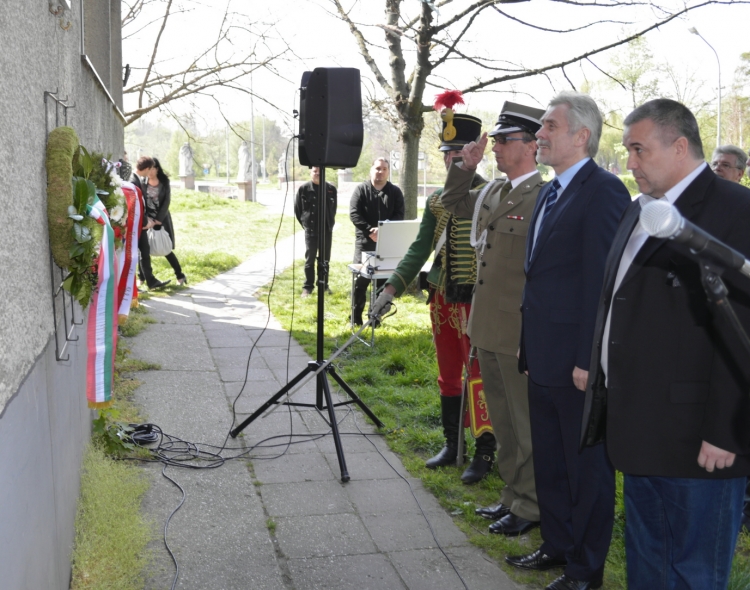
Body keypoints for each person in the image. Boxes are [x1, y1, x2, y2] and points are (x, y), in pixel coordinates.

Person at [581, 98, 750, 589]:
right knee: (648, 563)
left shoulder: (735, 209)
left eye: (638, 149)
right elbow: (618, 300)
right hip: (639, 428)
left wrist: (727, 430)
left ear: (679, 147)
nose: (629, 162)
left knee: (694, 571)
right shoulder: (642, 210)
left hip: (700, 438)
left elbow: (743, 324)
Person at [510, 91, 630, 590]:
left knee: (586, 470)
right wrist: (528, 348)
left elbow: (601, 286)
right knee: (552, 461)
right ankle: (557, 545)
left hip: (578, 363)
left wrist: (588, 359)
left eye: (549, 127)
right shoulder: (550, 191)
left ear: (581, 135)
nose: (539, 135)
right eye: (540, 127)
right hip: (542, 355)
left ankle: (586, 570)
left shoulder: (603, 192)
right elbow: (540, 277)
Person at [371, 102, 494, 482]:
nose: (451, 162)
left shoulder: (490, 196)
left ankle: (485, 452)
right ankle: (452, 444)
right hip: (442, 298)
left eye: (459, 155)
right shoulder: (437, 199)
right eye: (448, 155)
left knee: (479, 373)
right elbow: (421, 247)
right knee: (448, 374)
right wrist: (390, 288)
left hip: (477, 300)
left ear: (473, 154)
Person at [440, 101, 546, 531]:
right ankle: (512, 495)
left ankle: (531, 505)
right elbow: (451, 201)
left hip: (518, 330)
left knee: (523, 425)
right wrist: (465, 166)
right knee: (501, 420)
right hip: (486, 325)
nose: (495, 147)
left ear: (531, 146)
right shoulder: (493, 192)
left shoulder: (543, 196)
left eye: (504, 140)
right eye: (496, 139)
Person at [349, 158, 404, 325]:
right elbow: (354, 213)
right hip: (364, 242)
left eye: (384, 169)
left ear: (388, 172)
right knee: (361, 280)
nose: (380, 172)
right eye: (377, 168)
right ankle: (355, 316)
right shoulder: (360, 190)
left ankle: (375, 318)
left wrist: (383, 230)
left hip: (386, 243)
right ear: (371, 170)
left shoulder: (395, 192)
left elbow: (399, 214)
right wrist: (369, 230)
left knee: (381, 282)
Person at [141, 157, 186, 286]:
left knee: (166, 248)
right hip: (146, 219)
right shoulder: (143, 181)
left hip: (162, 219)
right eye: (148, 169)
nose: (150, 172)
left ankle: (180, 275)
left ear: (157, 169)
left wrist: (158, 220)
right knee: (143, 250)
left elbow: (166, 202)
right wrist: (146, 219)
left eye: (153, 168)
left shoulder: (164, 182)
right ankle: (142, 278)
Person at [294, 166, 337, 298]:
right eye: (315, 171)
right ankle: (308, 287)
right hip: (311, 231)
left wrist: (329, 224)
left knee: (325, 260)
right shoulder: (304, 189)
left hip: (326, 230)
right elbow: (298, 210)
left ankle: (323, 285)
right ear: (310, 172)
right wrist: (306, 225)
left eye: (320, 171)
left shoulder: (330, 189)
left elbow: (333, 209)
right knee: (310, 260)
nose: (317, 173)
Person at [130, 156, 170, 290]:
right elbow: (134, 205)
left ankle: (150, 281)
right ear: (146, 168)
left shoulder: (137, 179)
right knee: (138, 254)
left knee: (145, 252)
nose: (150, 172)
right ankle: (136, 284)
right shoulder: (133, 181)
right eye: (150, 169)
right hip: (138, 224)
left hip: (141, 223)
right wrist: (145, 223)